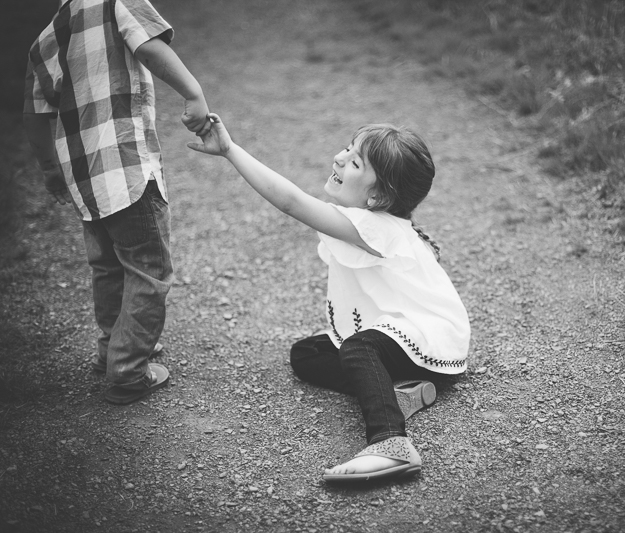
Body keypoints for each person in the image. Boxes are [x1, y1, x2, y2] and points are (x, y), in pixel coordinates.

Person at [189, 114, 470, 482]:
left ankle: (392, 443)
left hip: (427, 337)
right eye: (348, 149)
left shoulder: (375, 225)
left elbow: (290, 202)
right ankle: (393, 394)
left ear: (379, 196)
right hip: (401, 340)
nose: (339, 158)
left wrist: (230, 150)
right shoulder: (372, 218)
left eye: (355, 162)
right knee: (307, 354)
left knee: (357, 348)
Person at [23, 0, 211, 404]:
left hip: (85, 180)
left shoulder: (47, 36)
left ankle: (112, 348)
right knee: (148, 271)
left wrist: (51, 170)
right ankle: (127, 372)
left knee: (108, 267)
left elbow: (34, 113)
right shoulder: (115, 2)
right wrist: (193, 93)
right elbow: (148, 47)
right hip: (126, 171)